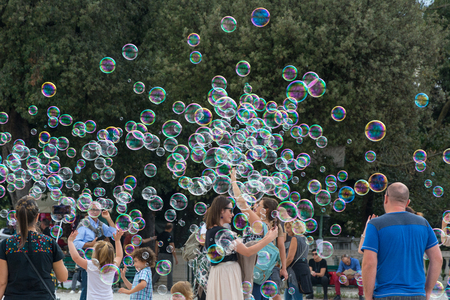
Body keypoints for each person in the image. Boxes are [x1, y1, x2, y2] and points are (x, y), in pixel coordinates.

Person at [361, 182, 442, 300]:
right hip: (417, 295)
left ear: (386, 198)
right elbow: (438, 259)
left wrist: (368, 297)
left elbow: (369, 264)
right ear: (407, 202)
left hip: (386, 294)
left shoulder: (375, 224)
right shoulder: (423, 223)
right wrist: (427, 291)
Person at [205, 195, 278, 300]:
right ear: (222, 211)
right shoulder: (223, 233)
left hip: (219, 273)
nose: (232, 214)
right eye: (230, 211)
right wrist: (268, 239)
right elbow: (247, 252)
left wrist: (266, 237)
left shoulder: (211, 231)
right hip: (227, 273)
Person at [231, 169, 288, 300]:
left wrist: (234, 183)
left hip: (254, 273)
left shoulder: (260, 225)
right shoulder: (270, 227)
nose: (254, 207)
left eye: (258, 205)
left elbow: (242, 204)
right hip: (260, 273)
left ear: (265, 210)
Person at [0, 196, 68, 299]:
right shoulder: (49, 243)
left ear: (16, 217)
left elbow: (2, 282)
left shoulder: (6, 244)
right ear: (37, 217)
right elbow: (62, 277)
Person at [73, 202, 117, 300]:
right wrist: (90, 244)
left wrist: (108, 218)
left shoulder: (100, 224)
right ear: (88, 211)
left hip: (100, 258)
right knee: (86, 287)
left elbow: (113, 233)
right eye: (92, 209)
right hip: (88, 258)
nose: (95, 211)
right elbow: (75, 243)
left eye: (97, 209)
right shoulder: (83, 224)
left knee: (98, 286)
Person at [68, 229, 124, 300]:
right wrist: (117, 240)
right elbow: (119, 256)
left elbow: (76, 257)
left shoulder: (91, 265)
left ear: (95, 253)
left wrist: (70, 241)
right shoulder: (113, 265)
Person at [285, 220, 311, 300]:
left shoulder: (295, 238)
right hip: (303, 270)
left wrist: (282, 268)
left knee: (294, 297)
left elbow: (290, 258)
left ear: (294, 228)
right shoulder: (305, 239)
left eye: (288, 227)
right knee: (295, 295)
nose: (286, 230)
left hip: (294, 272)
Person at [153, 223, 179, 290]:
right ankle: (169, 287)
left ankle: (151, 284)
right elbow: (172, 247)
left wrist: (156, 255)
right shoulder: (169, 236)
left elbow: (156, 246)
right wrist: (176, 258)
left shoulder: (160, 235)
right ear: (171, 228)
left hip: (161, 254)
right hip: (168, 255)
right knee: (169, 271)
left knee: (158, 271)